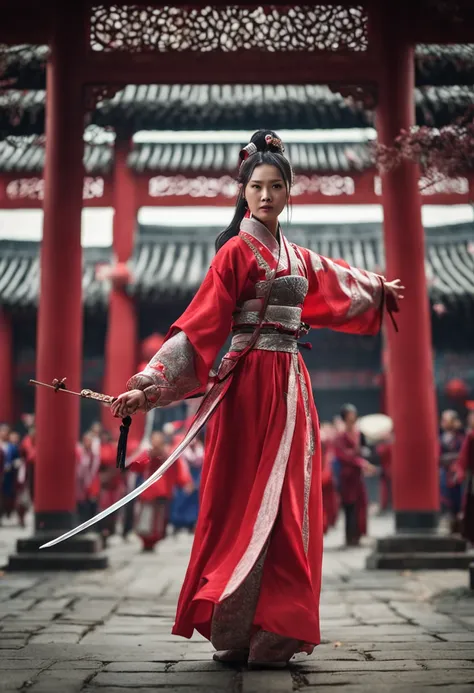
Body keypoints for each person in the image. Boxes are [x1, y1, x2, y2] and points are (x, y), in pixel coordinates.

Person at [110, 130, 403, 668]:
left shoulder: (294, 255)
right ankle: (237, 627)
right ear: (242, 193)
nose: (266, 195)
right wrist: (146, 386)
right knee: (240, 504)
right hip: (245, 389)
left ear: (289, 191)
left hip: (291, 386)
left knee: (291, 505)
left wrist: (379, 290)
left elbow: (335, 282)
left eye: (276, 186)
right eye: (256, 187)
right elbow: (198, 329)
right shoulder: (234, 255)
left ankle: (277, 628)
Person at [129, 431, 193, 551]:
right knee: (145, 517)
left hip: (162, 491)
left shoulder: (169, 454)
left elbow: (179, 469)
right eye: (154, 440)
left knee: (159, 518)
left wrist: (185, 482)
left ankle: (154, 540)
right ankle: (146, 541)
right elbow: (135, 466)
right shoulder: (147, 454)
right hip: (148, 491)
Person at [333, 404, 377, 547]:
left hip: (357, 477)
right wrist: (362, 463)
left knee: (360, 505)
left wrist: (363, 459)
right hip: (347, 477)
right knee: (349, 507)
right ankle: (349, 536)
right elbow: (343, 455)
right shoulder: (340, 436)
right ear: (345, 417)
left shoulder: (359, 434)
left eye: (354, 414)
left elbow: (364, 450)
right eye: (350, 415)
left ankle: (359, 535)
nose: (352, 417)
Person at [170, 434, 205, 533]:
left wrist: (197, 482)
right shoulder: (182, 450)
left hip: (197, 476)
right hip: (184, 476)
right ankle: (177, 523)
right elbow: (181, 466)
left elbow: (203, 465)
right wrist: (186, 481)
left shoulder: (201, 450)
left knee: (194, 501)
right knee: (181, 499)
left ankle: (191, 522)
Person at [439, 409, 465, 534]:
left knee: (458, 500)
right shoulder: (439, 439)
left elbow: (463, 455)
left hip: (457, 473)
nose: (443, 423)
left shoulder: (462, 438)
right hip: (443, 472)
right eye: (442, 420)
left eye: (446, 420)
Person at [76, 432, 101, 524]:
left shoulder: (94, 455)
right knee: (81, 503)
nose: (88, 443)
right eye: (86, 441)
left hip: (91, 481)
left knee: (92, 502)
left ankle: (91, 524)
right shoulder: (80, 451)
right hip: (80, 482)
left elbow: (94, 469)